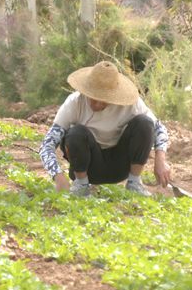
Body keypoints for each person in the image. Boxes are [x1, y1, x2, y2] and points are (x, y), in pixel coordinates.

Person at [39, 61, 172, 197]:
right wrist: (57, 175)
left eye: (104, 100)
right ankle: (81, 186)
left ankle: (134, 183)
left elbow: (159, 129)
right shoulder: (74, 103)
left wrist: (160, 160)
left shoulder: (131, 104)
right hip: (87, 167)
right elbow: (46, 146)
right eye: (94, 98)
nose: (97, 104)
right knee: (75, 133)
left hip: (120, 166)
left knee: (145, 123)